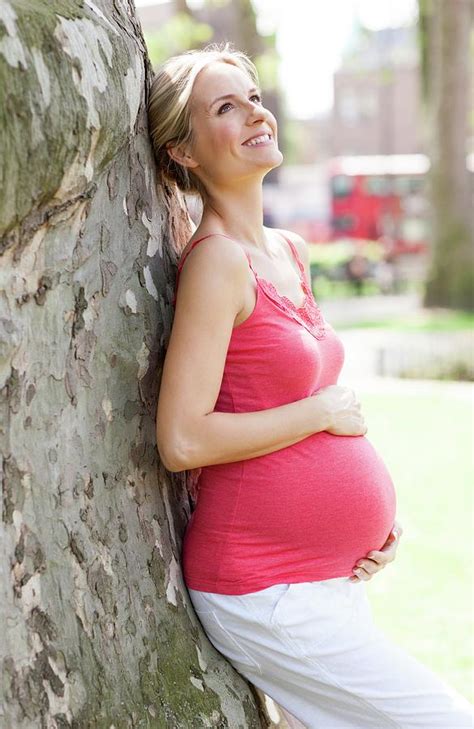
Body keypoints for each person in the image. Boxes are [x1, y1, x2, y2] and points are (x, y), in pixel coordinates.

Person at [148, 43, 474, 728]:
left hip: (323, 579)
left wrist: (369, 525)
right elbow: (182, 437)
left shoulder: (288, 250)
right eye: (226, 107)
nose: (255, 115)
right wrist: (320, 410)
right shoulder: (216, 266)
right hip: (263, 586)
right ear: (184, 150)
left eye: (255, 97)